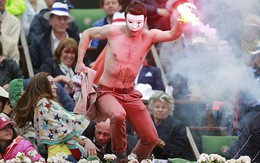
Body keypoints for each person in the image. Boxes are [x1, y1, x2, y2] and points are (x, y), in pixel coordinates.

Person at [75, 1, 186, 161]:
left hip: (129, 93)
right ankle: (120, 156)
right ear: (125, 19)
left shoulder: (149, 36)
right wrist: (80, 62)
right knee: (118, 114)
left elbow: (172, 34)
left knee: (151, 138)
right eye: (131, 22)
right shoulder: (113, 31)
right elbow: (87, 33)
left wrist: (180, 23)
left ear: (145, 21)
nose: (134, 27)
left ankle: (134, 158)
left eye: (139, 23)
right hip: (107, 91)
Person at [13, 72, 92, 162]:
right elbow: (68, 126)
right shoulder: (44, 103)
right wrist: (89, 112)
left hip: (60, 154)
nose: (56, 87)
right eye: (51, 83)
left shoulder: (42, 103)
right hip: (62, 155)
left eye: (54, 83)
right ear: (42, 86)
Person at [29, 1, 80, 74]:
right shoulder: (38, 42)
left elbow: (84, 62)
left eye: (65, 19)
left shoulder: (76, 41)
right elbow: (34, 69)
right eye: (59, 18)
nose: (62, 22)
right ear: (50, 21)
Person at [148, 92, 191, 159]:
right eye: (157, 107)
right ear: (151, 108)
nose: (160, 110)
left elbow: (180, 152)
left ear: (169, 110)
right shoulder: (145, 123)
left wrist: (161, 143)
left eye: (164, 107)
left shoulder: (178, 126)